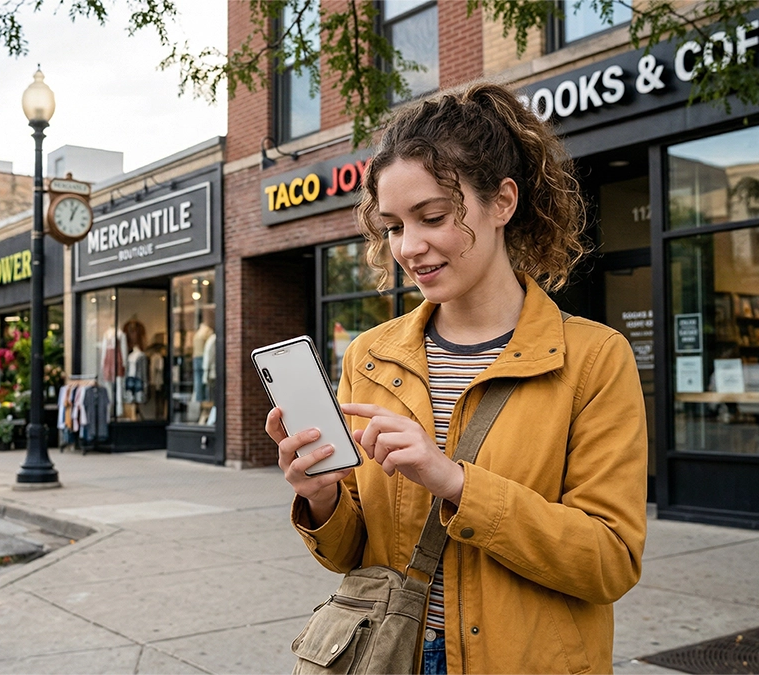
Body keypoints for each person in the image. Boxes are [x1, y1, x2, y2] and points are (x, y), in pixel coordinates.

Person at [266, 84, 648, 674]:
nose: (410, 247)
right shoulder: (370, 356)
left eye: (433, 217)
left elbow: (609, 561)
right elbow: (352, 557)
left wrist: (453, 482)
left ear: (502, 203)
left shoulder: (595, 359)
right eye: (392, 227)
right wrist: (319, 498)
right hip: (397, 657)